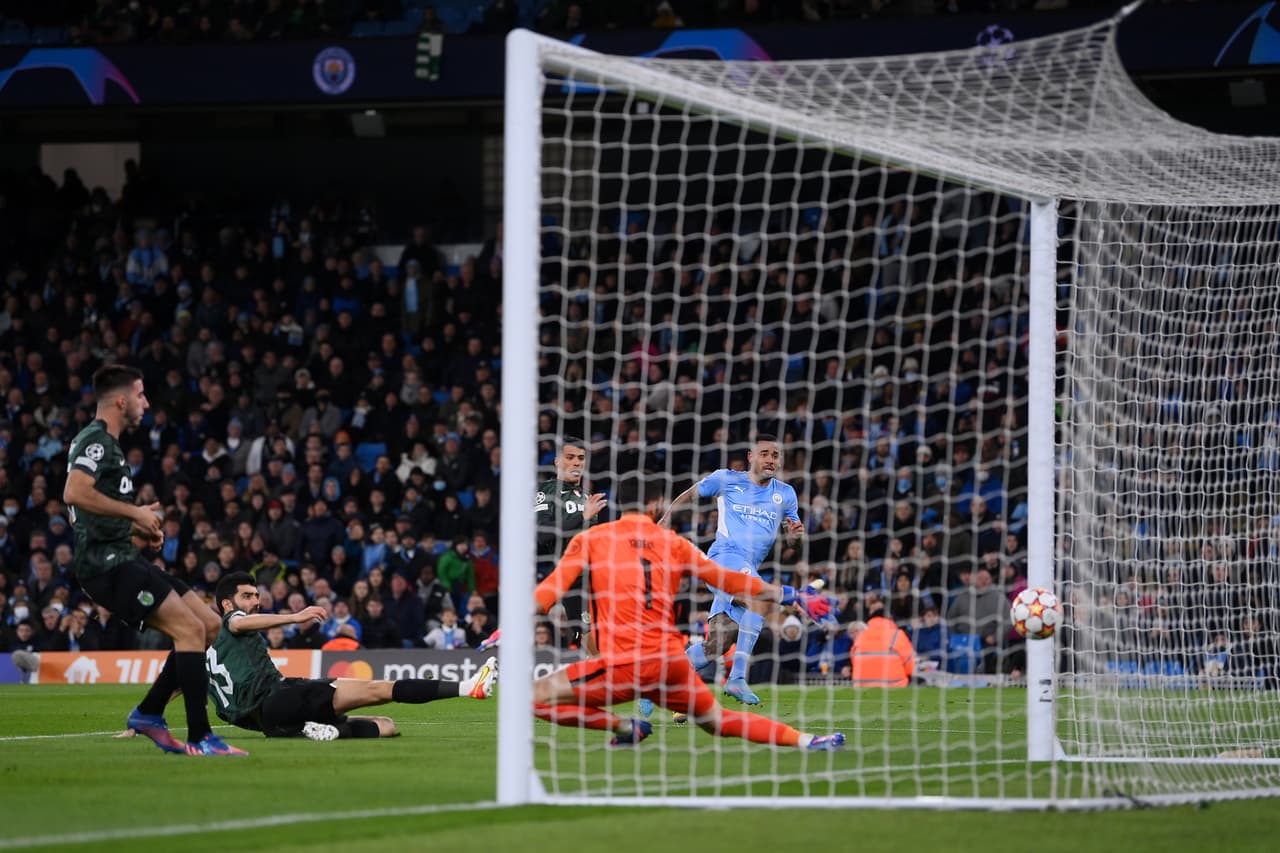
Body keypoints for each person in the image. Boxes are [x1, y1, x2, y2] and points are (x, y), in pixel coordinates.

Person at [531, 499, 843, 751]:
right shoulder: (674, 543)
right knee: (719, 721)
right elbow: (729, 580)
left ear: (618, 504)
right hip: (670, 664)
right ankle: (809, 740)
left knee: (531, 698)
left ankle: (623, 726)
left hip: (624, 664)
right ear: (655, 505)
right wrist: (789, 594)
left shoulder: (592, 539)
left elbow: (549, 591)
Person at [63, 364, 239, 756]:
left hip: (124, 556)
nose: (146, 403)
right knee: (190, 630)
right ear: (121, 400)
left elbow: (87, 518)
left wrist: (139, 527)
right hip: (107, 566)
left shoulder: (106, 444)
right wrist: (135, 513)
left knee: (210, 626)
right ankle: (200, 736)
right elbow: (74, 493)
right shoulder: (96, 440)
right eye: (141, 395)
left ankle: (148, 713)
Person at [207, 572, 497, 740]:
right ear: (227, 604)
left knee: (386, 725)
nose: (256, 602)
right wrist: (295, 616)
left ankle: (311, 729)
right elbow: (238, 622)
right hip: (280, 698)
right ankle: (468, 687)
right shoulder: (231, 622)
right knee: (378, 689)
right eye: (248, 596)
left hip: (273, 723)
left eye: (256, 595)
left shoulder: (208, 660)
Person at [659, 434, 804, 705]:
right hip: (724, 558)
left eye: (775, 455)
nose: (770, 460)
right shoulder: (726, 479)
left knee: (717, 644)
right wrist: (665, 521)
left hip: (747, 569)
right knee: (761, 598)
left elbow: (794, 543)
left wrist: (795, 537)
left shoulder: (785, 494)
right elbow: (691, 494)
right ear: (751, 457)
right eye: (764, 454)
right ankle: (737, 678)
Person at [534, 436, 607, 646]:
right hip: (574, 578)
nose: (576, 463)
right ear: (557, 461)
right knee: (589, 637)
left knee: (607, 635)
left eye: (581, 458)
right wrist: (582, 516)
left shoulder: (587, 497)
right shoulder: (545, 491)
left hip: (600, 574)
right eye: (570, 457)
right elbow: (543, 534)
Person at [841, 614, 916, 687]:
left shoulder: (860, 638)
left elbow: (854, 661)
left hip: (863, 688)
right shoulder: (897, 635)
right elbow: (911, 665)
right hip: (894, 686)